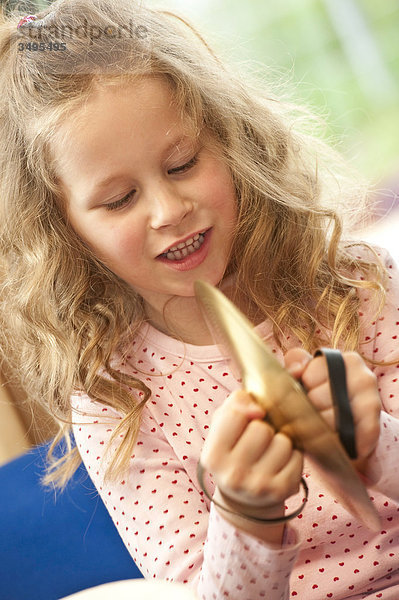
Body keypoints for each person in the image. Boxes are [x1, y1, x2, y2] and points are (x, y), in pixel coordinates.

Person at [0, 0, 398, 598]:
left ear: (230, 141)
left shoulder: (355, 285)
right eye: (118, 200)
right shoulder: (115, 400)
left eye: (183, 164)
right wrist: (248, 517)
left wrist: (377, 444)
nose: (169, 210)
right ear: (62, 232)